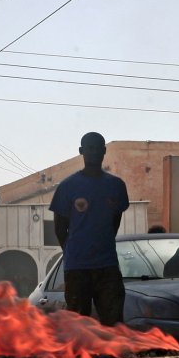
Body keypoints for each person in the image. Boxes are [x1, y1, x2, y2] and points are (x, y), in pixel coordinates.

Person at [49, 132, 129, 326]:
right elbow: (60, 228)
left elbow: (114, 222)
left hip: (107, 267)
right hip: (77, 268)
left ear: (104, 151)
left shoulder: (116, 186)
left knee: (114, 323)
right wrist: (72, 253)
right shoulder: (67, 187)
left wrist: (103, 245)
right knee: (79, 326)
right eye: (89, 148)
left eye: (97, 148)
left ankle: (114, 357)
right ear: (81, 151)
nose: (93, 152)